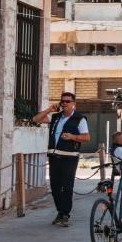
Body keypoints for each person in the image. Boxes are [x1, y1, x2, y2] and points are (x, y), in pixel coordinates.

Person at [32, 92, 90, 227]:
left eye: (67, 101)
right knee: (55, 187)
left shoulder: (79, 119)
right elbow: (36, 119)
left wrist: (72, 137)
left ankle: (65, 214)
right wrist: (49, 109)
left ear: (74, 103)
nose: (64, 103)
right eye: (62, 101)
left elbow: (87, 138)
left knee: (67, 187)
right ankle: (60, 211)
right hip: (54, 157)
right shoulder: (55, 117)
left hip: (70, 158)